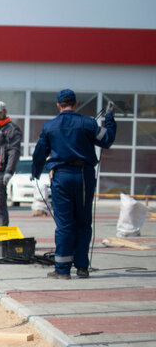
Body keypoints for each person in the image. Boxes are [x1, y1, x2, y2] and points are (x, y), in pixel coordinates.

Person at [30, 89, 116, 279]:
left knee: (64, 225)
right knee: (83, 223)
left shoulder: (49, 127)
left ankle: (62, 270)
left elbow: (39, 153)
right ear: (76, 104)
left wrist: (35, 172)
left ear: (58, 105)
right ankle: (82, 267)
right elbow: (107, 139)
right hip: (84, 176)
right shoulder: (88, 124)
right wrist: (109, 118)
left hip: (61, 177)